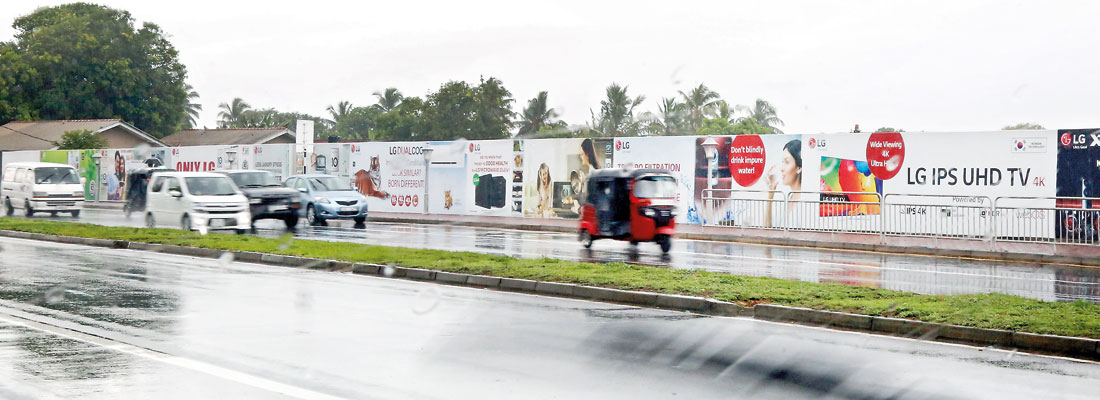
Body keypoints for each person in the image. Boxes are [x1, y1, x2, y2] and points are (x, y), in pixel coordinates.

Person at [764, 139, 802, 228]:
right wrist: (770, 194)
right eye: (782, 162)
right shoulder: (789, 197)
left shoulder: (806, 201)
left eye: (787, 162)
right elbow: (767, 229)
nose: (782, 168)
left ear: (799, 167)